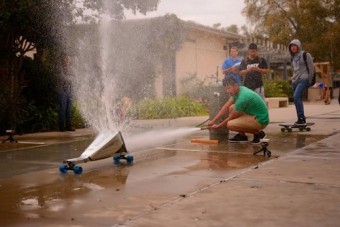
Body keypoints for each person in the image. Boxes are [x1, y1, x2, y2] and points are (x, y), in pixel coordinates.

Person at [207, 77, 269, 144]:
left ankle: (259, 134)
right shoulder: (238, 90)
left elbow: (232, 117)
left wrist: (218, 126)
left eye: (229, 88)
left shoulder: (243, 97)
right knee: (231, 107)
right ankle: (242, 136)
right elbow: (226, 106)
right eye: (226, 89)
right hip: (254, 114)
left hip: (261, 120)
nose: (227, 91)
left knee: (230, 125)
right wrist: (213, 121)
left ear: (236, 85)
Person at [288, 39, 314, 124]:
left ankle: (302, 118)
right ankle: (300, 118)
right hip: (295, 81)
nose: (293, 47)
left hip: (304, 79)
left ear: (298, 46)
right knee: (296, 99)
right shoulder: (292, 58)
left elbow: (311, 68)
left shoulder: (306, 55)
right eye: (291, 46)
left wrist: (309, 79)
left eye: (294, 45)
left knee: (296, 96)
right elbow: (293, 70)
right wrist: (293, 79)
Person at [56, 55, 75, 132]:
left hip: (70, 90)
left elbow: (75, 78)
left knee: (69, 108)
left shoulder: (71, 69)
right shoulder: (60, 68)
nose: (67, 60)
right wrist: (71, 78)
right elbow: (63, 78)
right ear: (63, 60)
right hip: (62, 90)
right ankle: (61, 126)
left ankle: (68, 125)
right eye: (66, 59)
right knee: (63, 108)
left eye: (69, 59)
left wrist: (70, 78)